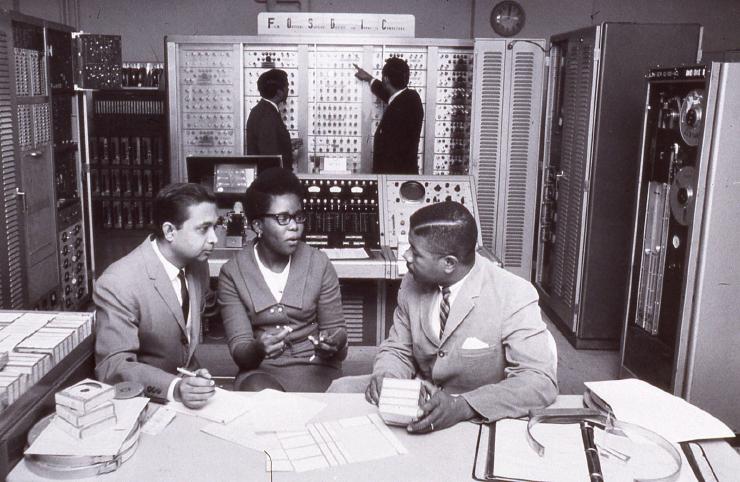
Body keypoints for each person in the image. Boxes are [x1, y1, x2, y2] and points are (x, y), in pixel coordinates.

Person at [329, 201, 558, 432]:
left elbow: (539, 381)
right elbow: (398, 348)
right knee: (340, 392)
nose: (406, 257)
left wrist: (463, 405)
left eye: (415, 252)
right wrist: (386, 376)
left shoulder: (513, 293)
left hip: (474, 408)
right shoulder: (412, 281)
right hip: (417, 395)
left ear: (449, 263)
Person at [218, 168, 348, 392]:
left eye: (298, 217)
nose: (294, 226)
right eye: (283, 218)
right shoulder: (233, 273)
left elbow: (338, 335)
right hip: (263, 371)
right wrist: (258, 349)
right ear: (258, 226)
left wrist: (333, 343)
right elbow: (241, 351)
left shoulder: (319, 263)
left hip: (317, 367)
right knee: (262, 396)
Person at [94, 183, 218, 409]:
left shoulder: (198, 265)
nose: (214, 239)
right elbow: (112, 366)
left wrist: (193, 379)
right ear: (170, 231)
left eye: (215, 228)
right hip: (142, 401)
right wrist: (175, 388)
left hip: (186, 394)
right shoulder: (118, 282)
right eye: (204, 228)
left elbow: (183, 342)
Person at [354, 57, 424, 174]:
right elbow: (392, 96)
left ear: (385, 79)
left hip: (394, 178)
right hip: (402, 176)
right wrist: (370, 79)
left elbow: (391, 97)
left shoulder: (401, 106)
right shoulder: (411, 99)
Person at [245, 68, 301, 171]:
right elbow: (270, 158)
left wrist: (287, 143)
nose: (288, 90)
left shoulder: (261, 110)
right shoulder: (268, 115)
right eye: (287, 86)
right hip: (273, 181)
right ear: (279, 92)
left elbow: (268, 143)